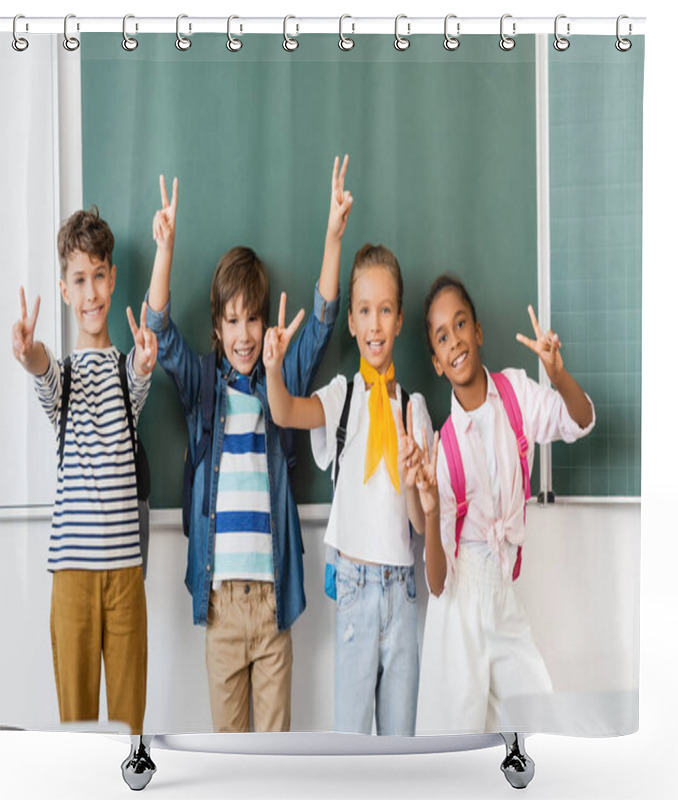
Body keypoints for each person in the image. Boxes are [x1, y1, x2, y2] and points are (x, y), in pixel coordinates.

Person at [143, 156, 351, 732]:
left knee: (275, 755)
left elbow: (324, 319)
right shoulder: (203, 387)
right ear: (217, 327)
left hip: (272, 599)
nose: (243, 335)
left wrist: (333, 236)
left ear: (265, 326)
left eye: (253, 320)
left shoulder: (278, 377)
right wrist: (165, 249)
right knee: (228, 756)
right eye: (231, 321)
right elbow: (157, 330)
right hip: (221, 605)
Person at [263, 243, 433, 736]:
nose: (375, 324)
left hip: (402, 593)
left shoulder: (414, 409)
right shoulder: (343, 396)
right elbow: (285, 413)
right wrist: (273, 370)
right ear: (352, 324)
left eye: (385, 311)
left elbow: (421, 525)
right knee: (352, 744)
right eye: (364, 312)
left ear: (400, 320)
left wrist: (415, 480)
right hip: (357, 589)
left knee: (401, 745)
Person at [415, 274, 595, 735]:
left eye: (460, 325)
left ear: (478, 331)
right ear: (436, 362)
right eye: (442, 336)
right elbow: (437, 583)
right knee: (454, 755)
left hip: (504, 599)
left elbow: (579, 420)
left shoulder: (515, 393)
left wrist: (556, 374)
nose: (454, 340)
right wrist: (433, 509)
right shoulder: (444, 446)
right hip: (458, 612)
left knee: (535, 731)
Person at [11, 207, 157, 735]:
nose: (91, 292)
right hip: (70, 577)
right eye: (79, 280)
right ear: (65, 290)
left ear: (113, 279)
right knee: (74, 731)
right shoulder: (64, 379)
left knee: (128, 731)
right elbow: (43, 367)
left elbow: (142, 374)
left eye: (99, 276)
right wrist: (27, 354)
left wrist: (144, 361)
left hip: (125, 579)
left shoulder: (125, 373)